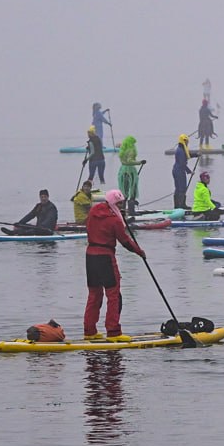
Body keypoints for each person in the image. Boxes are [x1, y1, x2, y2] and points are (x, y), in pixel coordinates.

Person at [83, 189, 145, 340]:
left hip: (90, 256)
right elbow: (125, 241)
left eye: (122, 203)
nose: (122, 207)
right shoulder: (115, 220)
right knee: (113, 295)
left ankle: (89, 331)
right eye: (119, 204)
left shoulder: (93, 212)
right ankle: (113, 332)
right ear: (113, 203)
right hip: (105, 257)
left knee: (94, 294)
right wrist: (139, 252)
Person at [117, 136, 146, 215]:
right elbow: (130, 161)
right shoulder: (131, 150)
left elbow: (125, 160)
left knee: (124, 192)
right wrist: (140, 162)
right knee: (132, 191)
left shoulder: (123, 150)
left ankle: (122, 211)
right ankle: (131, 212)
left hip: (122, 171)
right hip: (130, 171)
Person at [172, 133, 196, 209]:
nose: (187, 143)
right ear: (183, 141)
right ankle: (181, 205)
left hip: (177, 170)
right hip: (179, 171)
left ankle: (177, 206)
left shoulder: (181, 149)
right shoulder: (180, 150)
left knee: (178, 188)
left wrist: (196, 155)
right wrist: (190, 171)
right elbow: (182, 163)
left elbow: (188, 154)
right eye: (186, 141)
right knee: (181, 188)